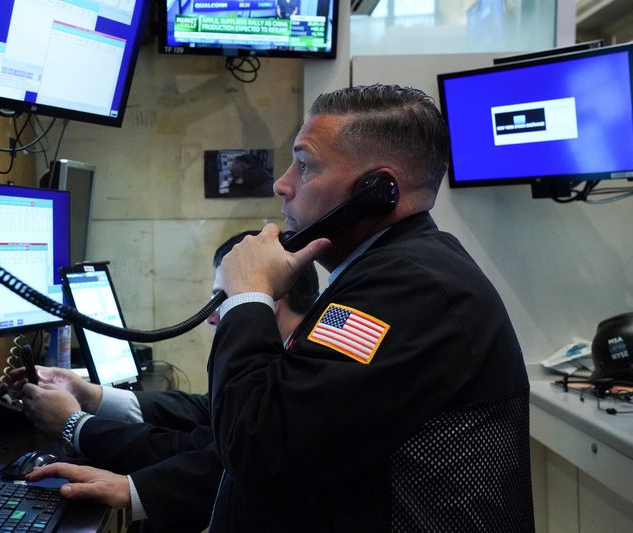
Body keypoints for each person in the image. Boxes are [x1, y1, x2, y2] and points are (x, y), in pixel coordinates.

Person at [208, 84, 533, 531]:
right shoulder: (387, 275)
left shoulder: (412, 287)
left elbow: (260, 446)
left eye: (304, 165)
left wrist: (247, 298)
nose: (282, 184)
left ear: (379, 191)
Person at [11, 230, 319, 532]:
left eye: (220, 300)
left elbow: (216, 453)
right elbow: (205, 411)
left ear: (268, 298)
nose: (210, 316)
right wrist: (92, 396)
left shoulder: (309, 373)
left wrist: (74, 425)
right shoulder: (296, 355)